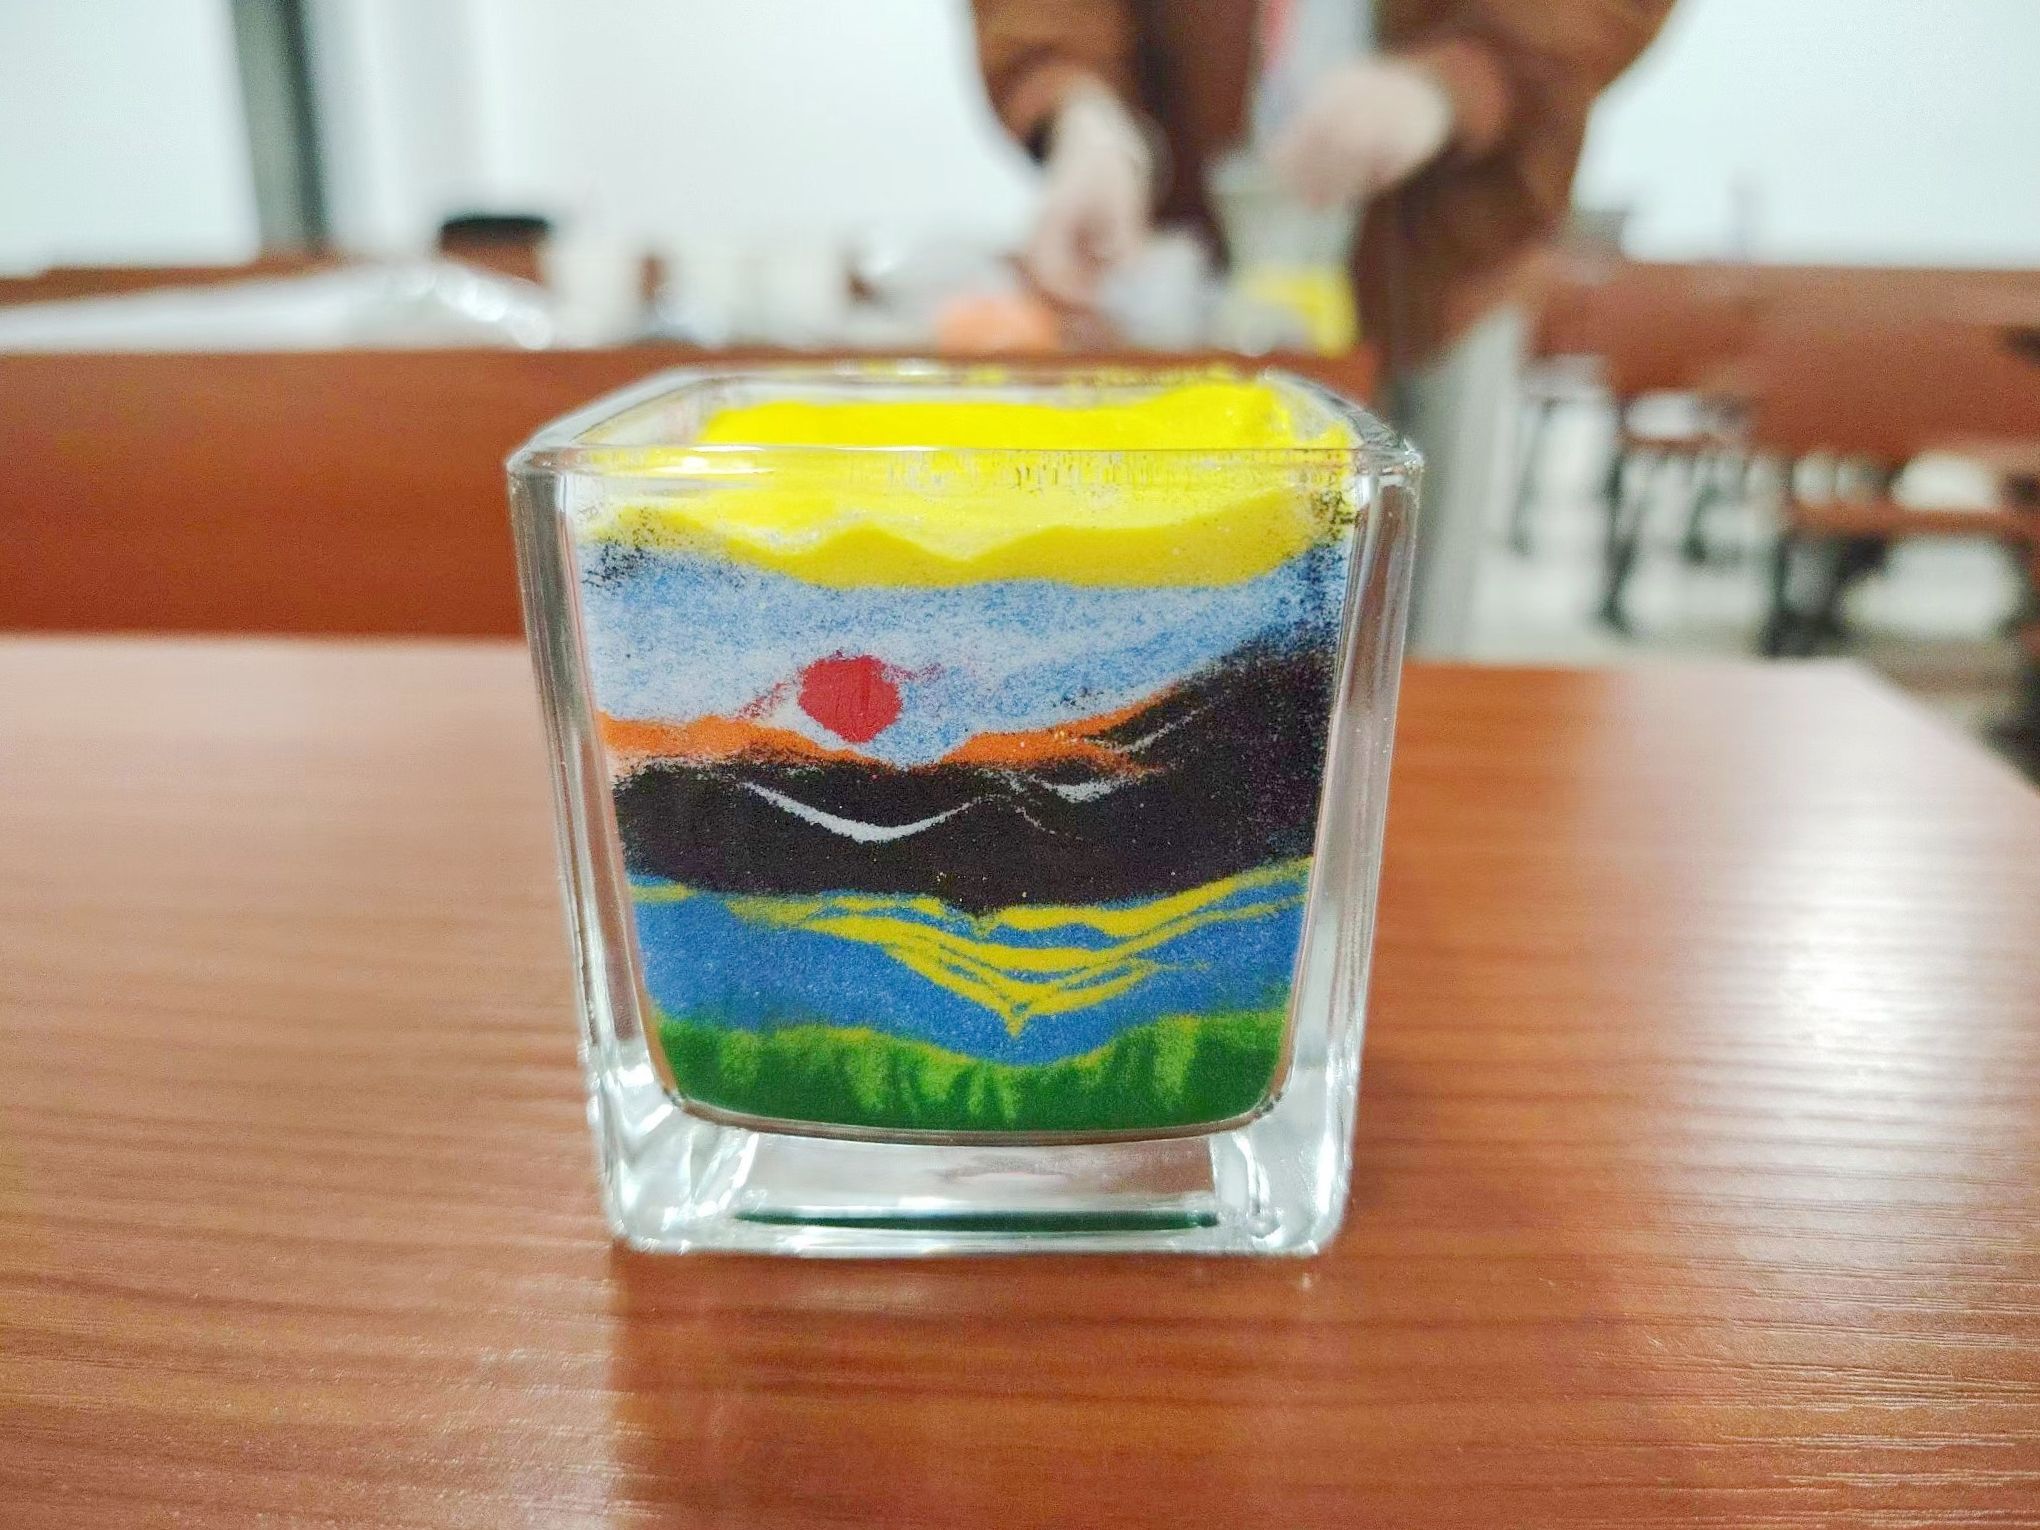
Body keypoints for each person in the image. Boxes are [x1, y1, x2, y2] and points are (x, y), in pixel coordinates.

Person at [969, 0, 1672, 652]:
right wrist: (1082, 110)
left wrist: (1464, 75)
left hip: (1443, 269)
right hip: (1192, 267)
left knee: (1412, 629)